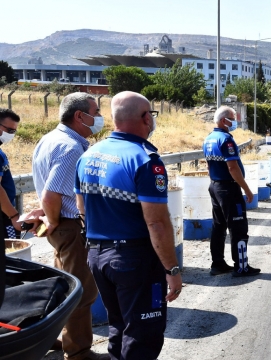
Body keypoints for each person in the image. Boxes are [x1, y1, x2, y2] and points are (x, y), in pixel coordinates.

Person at [74, 91, 182, 360]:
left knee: (119, 326)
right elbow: (157, 222)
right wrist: (172, 268)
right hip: (134, 259)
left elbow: (82, 208)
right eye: (152, 116)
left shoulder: (88, 155)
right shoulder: (145, 160)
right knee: (142, 335)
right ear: (146, 118)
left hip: (98, 256)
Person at [26, 92, 108, 360]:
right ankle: (79, 352)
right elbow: (52, 195)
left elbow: (48, 190)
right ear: (79, 116)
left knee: (65, 286)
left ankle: (64, 340)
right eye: (95, 113)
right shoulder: (71, 147)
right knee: (80, 292)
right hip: (70, 227)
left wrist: (49, 214)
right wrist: (52, 218)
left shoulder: (49, 139)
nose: (98, 118)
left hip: (63, 227)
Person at [203, 106, 261, 277]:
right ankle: (241, 266)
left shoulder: (208, 139)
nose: (234, 120)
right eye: (232, 117)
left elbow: (208, 165)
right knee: (238, 227)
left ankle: (218, 263)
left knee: (218, 226)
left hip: (215, 186)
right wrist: (247, 190)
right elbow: (233, 168)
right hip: (229, 188)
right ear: (223, 120)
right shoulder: (226, 140)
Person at [0, 109, 21, 240]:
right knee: (11, 257)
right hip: (4, 217)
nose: (12, 135)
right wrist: (13, 216)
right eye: (10, 131)